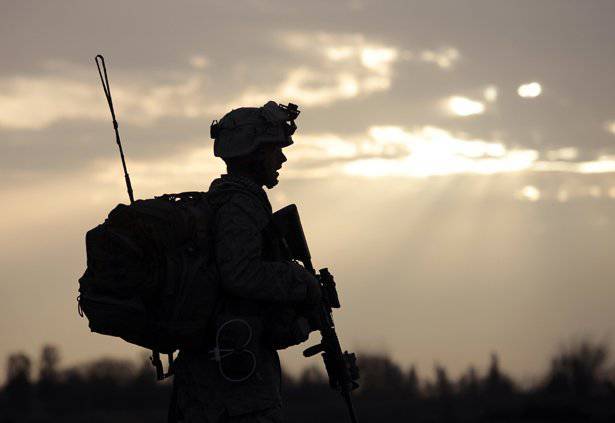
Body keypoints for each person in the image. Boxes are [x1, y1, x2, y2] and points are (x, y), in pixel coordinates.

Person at [172, 101, 321, 423]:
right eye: (273, 150)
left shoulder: (232, 199)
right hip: (233, 389)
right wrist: (301, 281)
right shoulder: (238, 203)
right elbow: (240, 274)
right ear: (253, 153)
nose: (281, 158)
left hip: (225, 376)